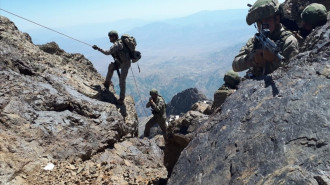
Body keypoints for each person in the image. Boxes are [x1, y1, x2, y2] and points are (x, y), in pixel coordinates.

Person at [232, 0, 299, 78]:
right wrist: (253, 59)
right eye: (259, 21)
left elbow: (293, 72)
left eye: (267, 19)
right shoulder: (254, 40)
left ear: (277, 19)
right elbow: (235, 66)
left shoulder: (289, 41)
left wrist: (274, 60)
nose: (263, 24)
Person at [92, 30, 131, 104]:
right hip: (121, 61)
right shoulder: (118, 43)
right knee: (111, 67)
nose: (109, 39)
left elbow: (107, 53)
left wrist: (98, 49)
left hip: (125, 63)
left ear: (114, 37)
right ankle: (107, 83)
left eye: (110, 37)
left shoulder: (116, 45)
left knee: (122, 81)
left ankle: (121, 99)